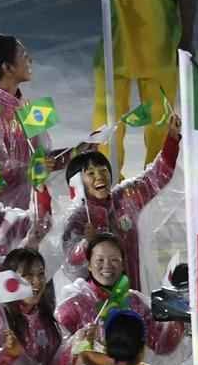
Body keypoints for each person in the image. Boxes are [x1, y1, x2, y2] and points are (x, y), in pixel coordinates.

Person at [93, 0, 195, 170]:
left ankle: (156, 189)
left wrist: (186, 39)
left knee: (160, 128)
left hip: (159, 43)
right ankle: (105, 188)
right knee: (107, 125)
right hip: (115, 43)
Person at [60, 116, 182, 290]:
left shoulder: (125, 196)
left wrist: (171, 139)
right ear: (77, 182)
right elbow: (69, 260)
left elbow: (156, 176)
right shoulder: (77, 218)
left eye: (103, 170)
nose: (100, 176)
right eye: (91, 173)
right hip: (96, 304)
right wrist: (87, 243)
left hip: (132, 294)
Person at [0, 35, 56, 209]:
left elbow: (46, 157)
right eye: (23, 55)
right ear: (7, 67)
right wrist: (27, 169)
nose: (30, 59)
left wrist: (78, 152)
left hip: (32, 211)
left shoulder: (31, 107)